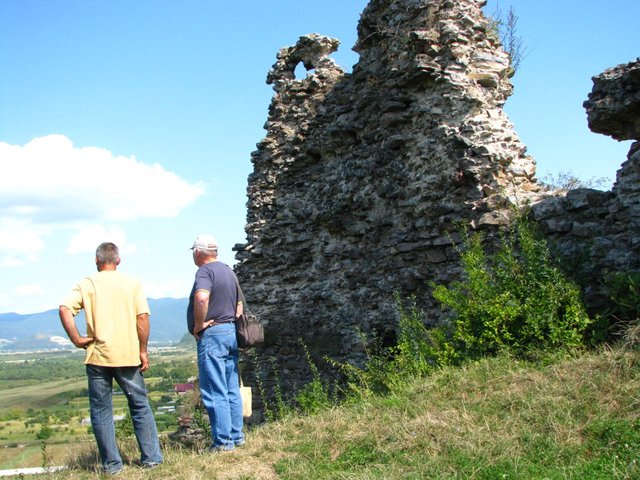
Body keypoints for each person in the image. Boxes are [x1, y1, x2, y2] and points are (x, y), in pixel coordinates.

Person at [59, 242, 163, 474]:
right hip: (127, 355)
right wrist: (143, 349)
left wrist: (76, 338)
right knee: (140, 406)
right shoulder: (132, 283)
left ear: (96, 261)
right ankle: (152, 459)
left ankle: (112, 465)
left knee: (101, 411)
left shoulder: (87, 284)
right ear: (118, 260)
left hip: (98, 356)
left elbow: (64, 309)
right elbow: (143, 318)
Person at [187, 234, 244, 451]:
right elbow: (239, 306)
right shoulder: (229, 271)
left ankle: (223, 443)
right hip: (230, 331)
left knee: (214, 390)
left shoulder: (205, 271)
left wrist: (199, 325)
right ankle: (237, 436)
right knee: (231, 388)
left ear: (198, 252)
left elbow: (202, 298)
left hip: (212, 334)